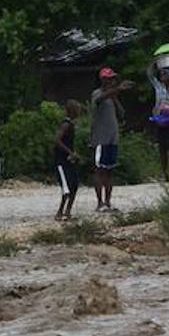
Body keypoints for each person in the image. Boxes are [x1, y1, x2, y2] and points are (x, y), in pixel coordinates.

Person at [90, 67, 131, 213]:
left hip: (113, 139)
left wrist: (116, 98)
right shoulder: (97, 94)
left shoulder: (112, 98)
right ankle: (99, 202)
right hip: (101, 138)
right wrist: (116, 90)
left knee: (110, 171)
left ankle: (108, 201)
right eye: (109, 78)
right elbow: (99, 99)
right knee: (99, 170)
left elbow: (122, 114)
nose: (112, 81)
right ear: (103, 80)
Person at [53, 101, 83, 221]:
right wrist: (70, 152)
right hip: (61, 161)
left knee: (74, 184)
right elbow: (57, 140)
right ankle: (60, 212)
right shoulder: (65, 124)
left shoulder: (71, 125)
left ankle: (68, 211)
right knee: (66, 187)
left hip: (68, 160)